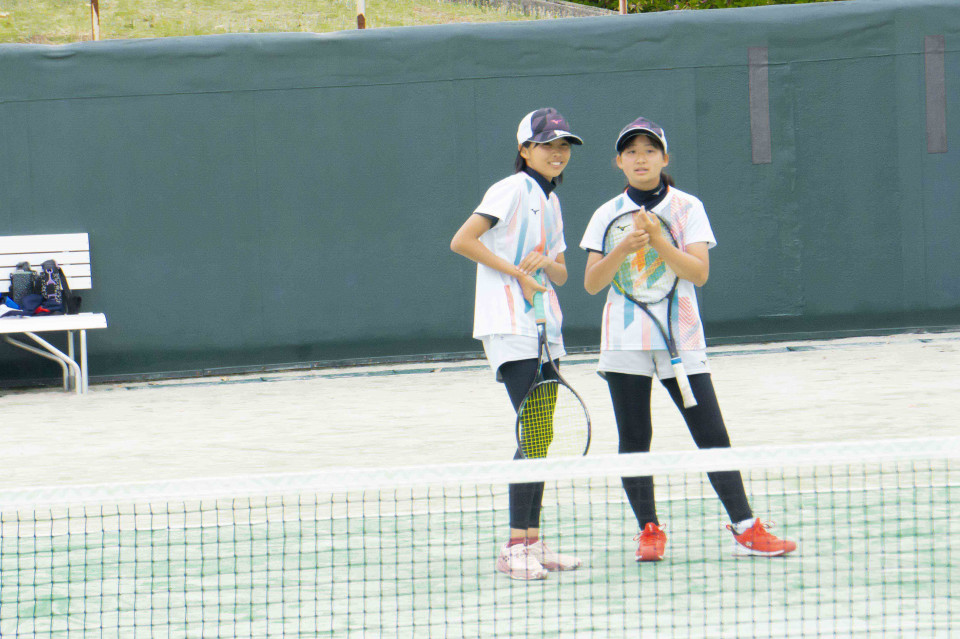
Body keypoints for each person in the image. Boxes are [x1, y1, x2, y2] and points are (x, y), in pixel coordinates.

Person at [580, 116, 796, 561]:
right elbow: (592, 283)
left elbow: (698, 273)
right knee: (634, 437)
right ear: (619, 162)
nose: (641, 159)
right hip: (624, 341)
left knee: (711, 432)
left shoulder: (688, 207)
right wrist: (624, 246)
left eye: (650, 150)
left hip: (682, 338)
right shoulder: (605, 214)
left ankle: (745, 527)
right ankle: (648, 530)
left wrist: (657, 241)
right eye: (631, 152)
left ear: (665, 158)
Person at [450, 108, 583, 580]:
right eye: (547, 145)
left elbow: (562, 274)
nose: (557, 153)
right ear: (525, 150)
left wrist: (545, 263)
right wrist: (519, 274)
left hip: (546, 328)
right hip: (508, 325)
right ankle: (513, 547)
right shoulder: (509, 189)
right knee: (533, 431)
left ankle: (532, 539)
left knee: (541, 434)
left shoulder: (552, 200)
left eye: (564, 146)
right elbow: (462, 240)